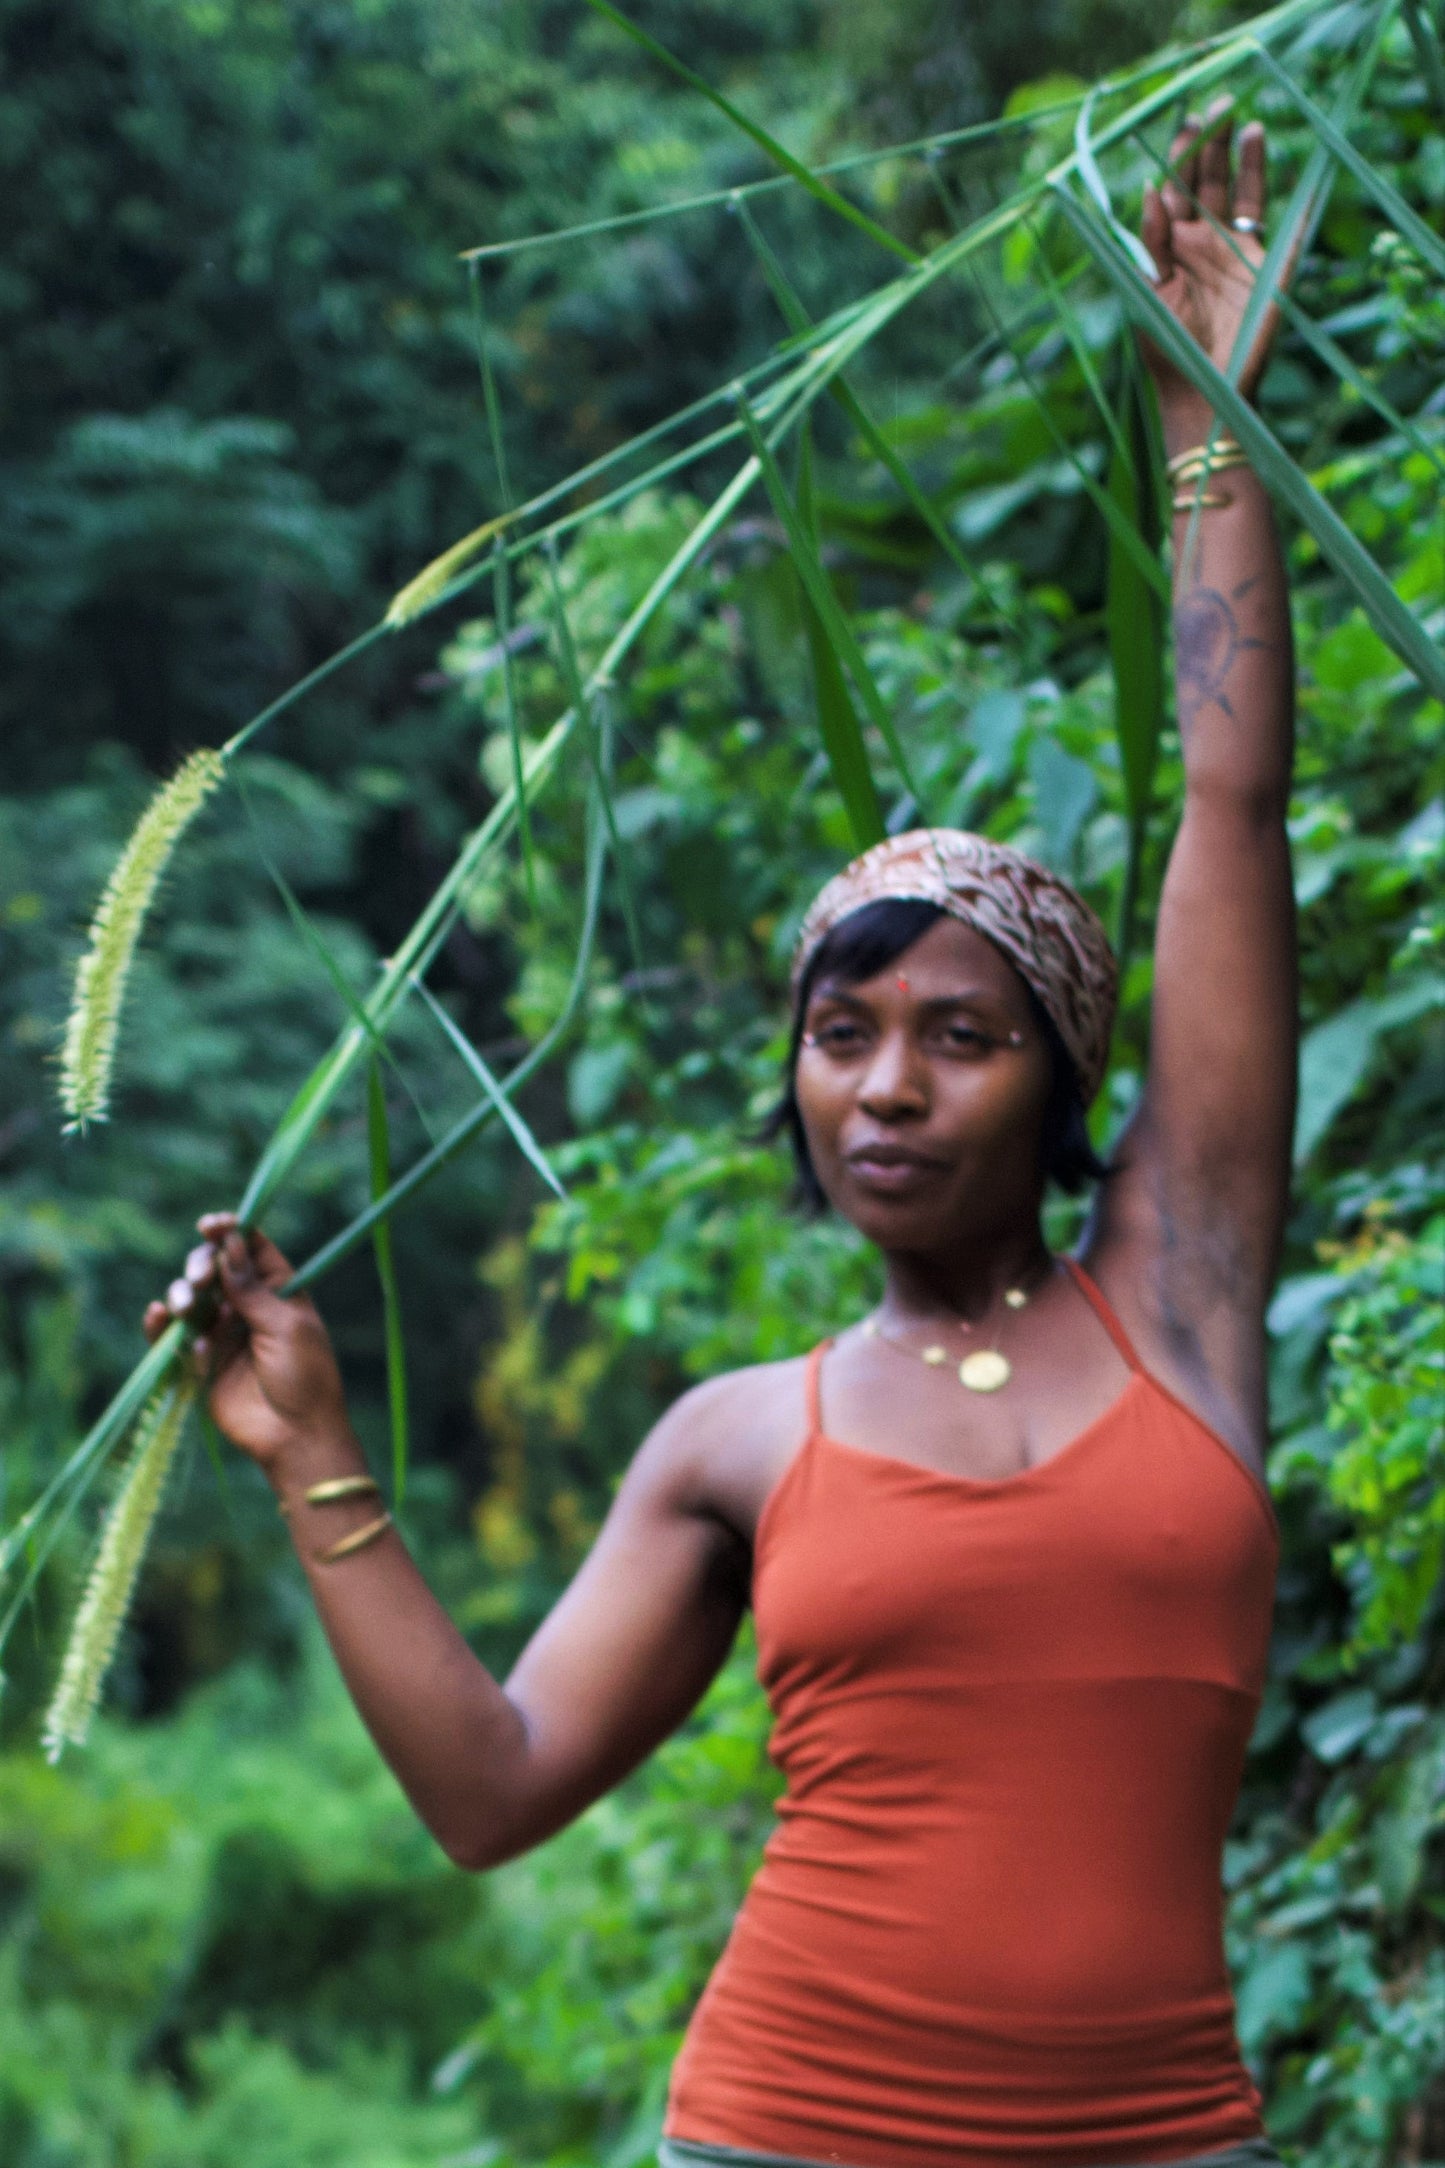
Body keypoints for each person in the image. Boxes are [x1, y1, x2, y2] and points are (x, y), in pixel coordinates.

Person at [148, 102, 1296, 2168]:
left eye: (959, 1037)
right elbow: (494, 1789)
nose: (886, 1084)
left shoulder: (1182, 1300)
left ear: (1061, 1083)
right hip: (788, 2131)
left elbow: (1229, 808)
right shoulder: (735, 1442)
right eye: (841, 1036)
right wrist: (309, 1448)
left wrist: (1204, 425)